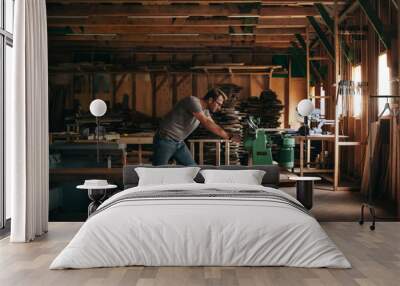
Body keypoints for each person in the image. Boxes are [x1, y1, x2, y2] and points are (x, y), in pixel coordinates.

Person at [152, 88, 240, 166]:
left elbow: (212, 124)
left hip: (178, 142)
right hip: (165, 140)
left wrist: (230, 135)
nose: (219, 108)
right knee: (158, 172)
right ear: (210, 100)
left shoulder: (205, 111)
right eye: (218, 104)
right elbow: (205, 122)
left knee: (193, 170)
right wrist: (229, 136)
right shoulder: (193, 101)